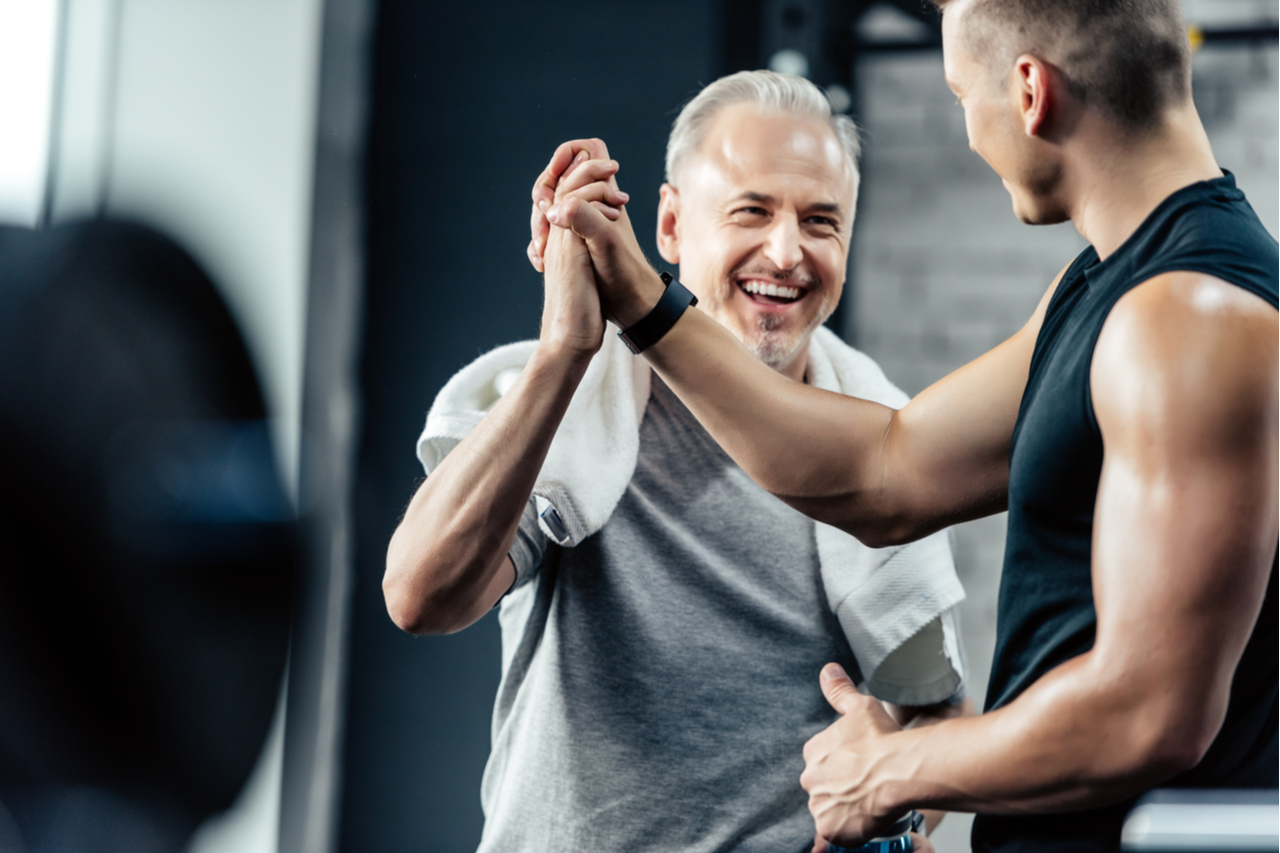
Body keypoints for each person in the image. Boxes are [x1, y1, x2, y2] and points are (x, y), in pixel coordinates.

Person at [530, 1, 1278, 851]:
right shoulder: (1107, 292)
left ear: (1029, 92)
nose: (968, 130)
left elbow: (1149, 712)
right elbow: (886, 468)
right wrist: (640, 297)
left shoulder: (1189, 317)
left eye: (964, 92)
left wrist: (891, 768)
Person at [385, 71, 974, 851]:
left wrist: (891, 815)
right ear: (669, 225)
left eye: (821, 221)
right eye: (751, 211)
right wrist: (565, 349)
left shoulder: (873, 440)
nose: (788, 251)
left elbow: (930, 713)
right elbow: (421, 595)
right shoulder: (577, 419)